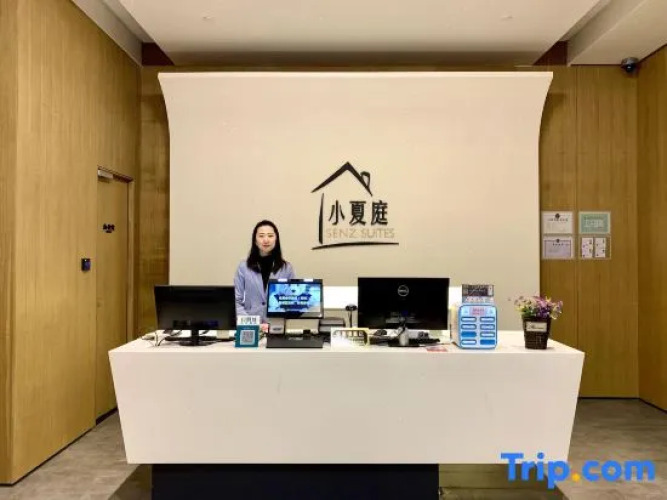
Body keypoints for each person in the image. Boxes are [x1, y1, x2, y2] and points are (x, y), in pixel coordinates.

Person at [234, 220, 295, 331]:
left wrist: (274, 324)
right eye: (261, 236)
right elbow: (236, 301)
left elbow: (289, 302)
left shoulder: (287, 268)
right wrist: (253, 324)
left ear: (276, 239)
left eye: (270, 236)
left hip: (276, 328)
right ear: (255, 240)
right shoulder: (243, 267)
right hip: (249, 328)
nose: (266, 240)